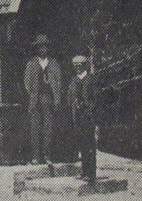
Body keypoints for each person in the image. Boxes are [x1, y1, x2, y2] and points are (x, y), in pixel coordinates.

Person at [23, 34, 61, 164]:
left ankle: (47, 155)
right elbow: (27, 83)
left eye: (45, 47)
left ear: (47, 48)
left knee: (48, 128)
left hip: (48, 99)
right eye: (40, 47)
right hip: (35, 99)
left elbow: (58, 83)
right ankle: (36, 156)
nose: (42, 49)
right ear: (37, 49)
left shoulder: (54, 64)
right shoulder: (31, 64)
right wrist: (33, 94)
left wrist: (56, 99)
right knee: (35, 128)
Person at [67, 54, 97, 183]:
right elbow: (69, 97)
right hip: (77, 117)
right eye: (75, 66)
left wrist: (88, 110)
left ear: (85, 66)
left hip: (87, 117)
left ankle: (91, 173)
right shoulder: (73, 80)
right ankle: (84, 171)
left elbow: (95, 99)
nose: (77, 68)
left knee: (89, 145)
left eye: (80, 65)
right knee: (81, 145)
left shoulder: (91, 80)